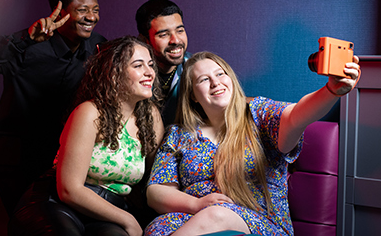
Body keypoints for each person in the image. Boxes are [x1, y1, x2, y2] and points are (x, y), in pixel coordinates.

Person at [145, 51, 360, 236]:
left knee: (216, 214)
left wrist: (330, 91)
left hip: (259, 223)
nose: (215, 82)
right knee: (156, 228)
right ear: (192, 95)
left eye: (220, 74)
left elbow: (296, 117)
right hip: (192, 216)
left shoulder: (258, 114)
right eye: (203, 79)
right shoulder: (180, 134)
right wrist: (196, 204)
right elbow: (156, 192)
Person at [0, 0, 107, 216]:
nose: (92, 17)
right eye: (83, 10)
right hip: (13, 158)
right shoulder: (28, 44)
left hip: (61, 158)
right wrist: (24, 40)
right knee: (29, 222)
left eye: (96, 9)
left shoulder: (98, 47)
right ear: (59, 10)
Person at [8, 36, 165, 236]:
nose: (149, 72)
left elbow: (154, 179)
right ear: (114, 73)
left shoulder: (150, 117)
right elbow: (69, 189)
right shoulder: (90, 112)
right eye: (138, 65)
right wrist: (128, 220)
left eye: (150, 65)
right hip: (55, 203)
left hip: (107, 212)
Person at [135, 0, 191, 126]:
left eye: (180, 30)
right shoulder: (131, 74)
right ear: (144, 40)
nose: (175, 40)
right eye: (164, 34)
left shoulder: (197, 69)